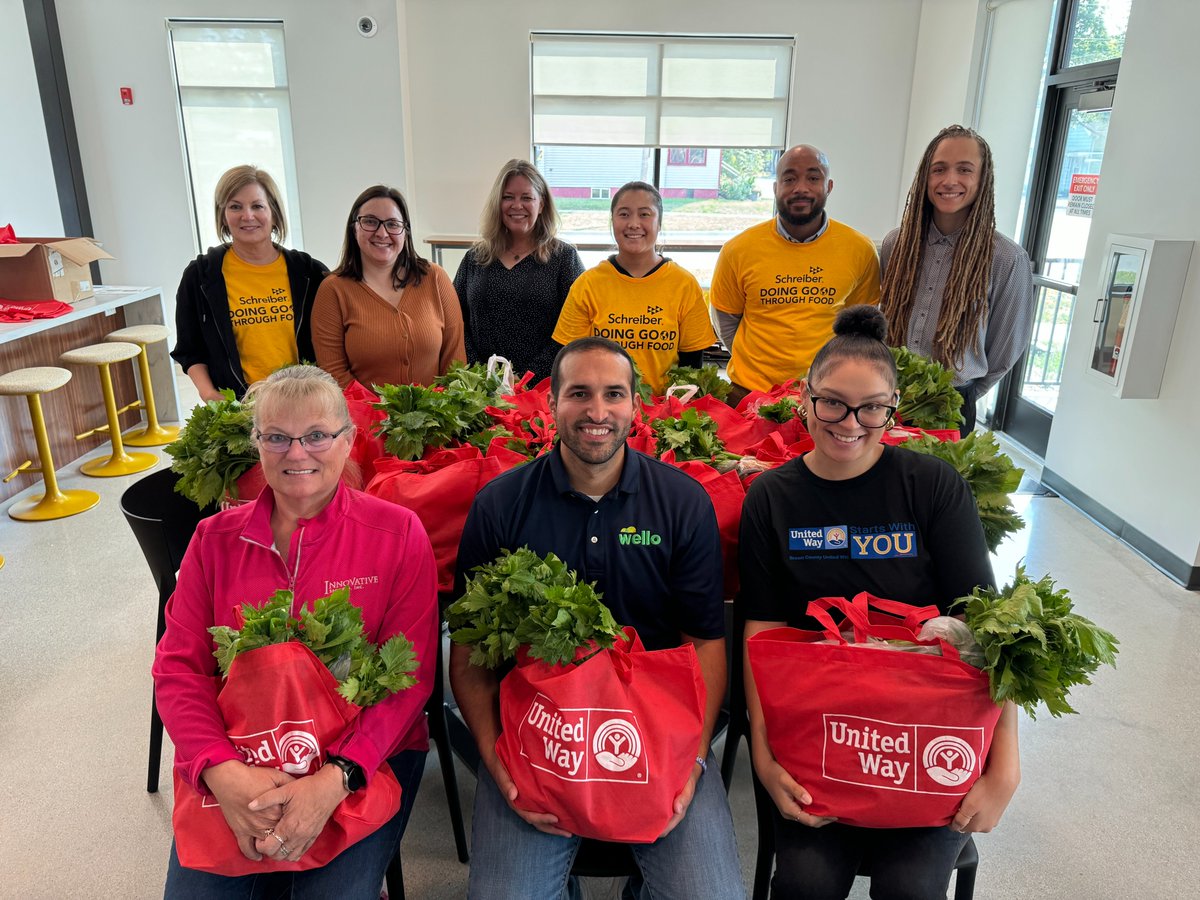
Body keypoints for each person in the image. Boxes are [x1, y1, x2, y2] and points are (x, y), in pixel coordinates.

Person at [738, 307, 1020, 900]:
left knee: (910, 886)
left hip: (924, 731)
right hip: (820, 732)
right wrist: (763, 759)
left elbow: (986, 625)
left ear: (893, 409)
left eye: (872, 407)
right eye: (833, 402)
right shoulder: (771, 497)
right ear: (805, 400)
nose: (851, 422)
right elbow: (761, 631)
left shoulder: (932, 486)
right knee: (808, 881)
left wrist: (1004, 769)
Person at [450, 337, 744, 900]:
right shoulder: (500, 505)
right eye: (579, 394)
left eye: (614, 394)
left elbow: (705, 644)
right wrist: (497, 763)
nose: (597, 412)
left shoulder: (683, 504)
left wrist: (694, 760)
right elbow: (469, 657)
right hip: (541, 733)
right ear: (553, 404)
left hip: (661, 734)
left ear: (637, 406)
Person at [152, 365, 439, 898]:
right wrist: (221, 771)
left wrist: (336, 780)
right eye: (277, 437)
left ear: (349, 441)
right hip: (239, 754)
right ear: (256, 443)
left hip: (361, 761)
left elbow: (411, 679)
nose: (297, 453)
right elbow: (178, 670)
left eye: (317, 436)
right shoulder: (213, 541)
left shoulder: (398, 534)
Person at [879, 125, 1035, 434]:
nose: (949, 181)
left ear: (982, 179)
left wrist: (963, 396)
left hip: (951, 404)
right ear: (925, 176)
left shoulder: (1006, 259)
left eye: (964, 170)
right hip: (888, 396)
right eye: (939, 170)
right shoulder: (896, 245)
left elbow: (1005, 349)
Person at [709, 144, 880, 406]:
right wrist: (754, 360)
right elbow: (725, 318)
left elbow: (857, 327)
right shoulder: (738, 250)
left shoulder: (860, 249)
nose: (801, 187)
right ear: (776, 188)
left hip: (825, 396)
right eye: (789, 179)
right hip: (748, 393)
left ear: (828, 186)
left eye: (813, 178)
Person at [172, 165, 329, 400]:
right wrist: (209, 394)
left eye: (257, 206)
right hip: (238, 406)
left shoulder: (308, 273)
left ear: (274, 213)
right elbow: (190, 350)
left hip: (304, 402)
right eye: (235, 207)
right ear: (223, 216)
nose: (247, 216)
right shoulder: (201, 276)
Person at [552, 181, 716, 395]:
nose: (633, 224)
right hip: (602, 409)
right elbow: (570, 362)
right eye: (624, 214)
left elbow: (692, 367)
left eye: (645, 214)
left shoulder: (684, 284)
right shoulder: (588, 284)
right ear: (613, 221)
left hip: (664, 413)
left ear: (659, 222)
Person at [311, 185, 465, 389]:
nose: (382, 233)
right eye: (370, 222)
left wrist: (438, 414)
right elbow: (334, 374)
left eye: (393, 224)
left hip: (439, 418)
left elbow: (455, 363)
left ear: (405, 232)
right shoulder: (332, 291)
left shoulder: (435, 278)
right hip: (363, 418)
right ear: (354, 228)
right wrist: (379, 417)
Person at [454, 159, 584, 383]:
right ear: (498, 202)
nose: (517, 205)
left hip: (544, 387)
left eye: (526, 198)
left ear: (541, 204)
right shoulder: (475, 258)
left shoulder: (564, 259)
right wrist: (480, 373)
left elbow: (576, 328)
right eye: (508, 197)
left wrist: (526, 378)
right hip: (479, 388)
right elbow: (455, 321)